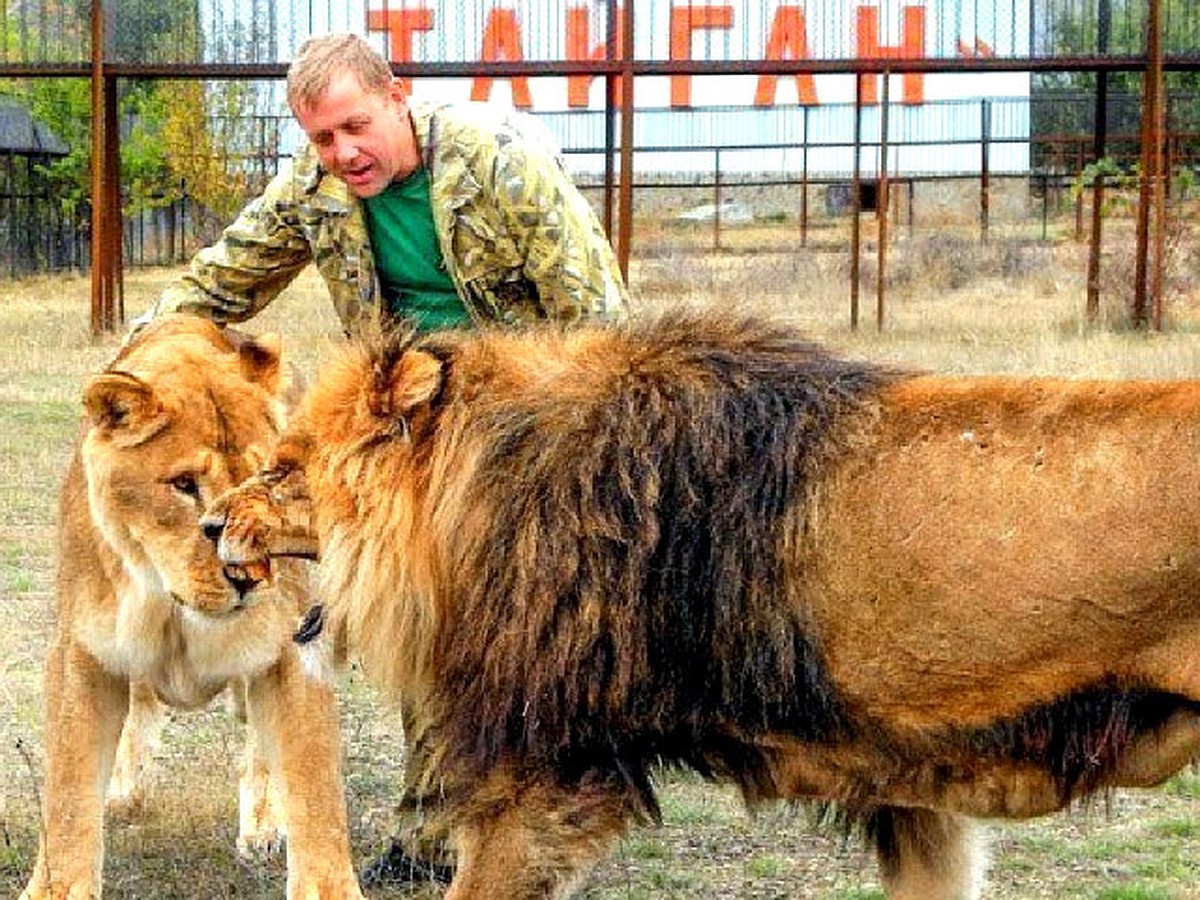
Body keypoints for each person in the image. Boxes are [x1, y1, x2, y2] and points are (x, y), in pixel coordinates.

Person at [140, 31, 631, 887]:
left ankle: (509, 810)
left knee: (516, 641)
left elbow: (601, 321)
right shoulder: (316, 188)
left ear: (397, 96)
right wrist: (139, 363)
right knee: (411, 614)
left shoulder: (499, 164)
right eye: (323, 139)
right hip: (403, 435)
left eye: (355, 127)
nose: (344, 152)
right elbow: (221, 283)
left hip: (523, 433)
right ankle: (431, 827)